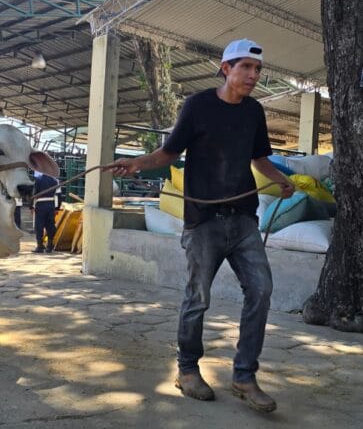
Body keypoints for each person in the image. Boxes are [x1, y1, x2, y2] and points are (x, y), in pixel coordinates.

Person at [108, 39, 294, 413]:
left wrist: (283, 181)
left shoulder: (254, 112)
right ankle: (188, 370)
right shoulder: (198, 106)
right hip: (203, 221)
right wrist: (136, 163)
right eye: (246, 68)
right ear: (226, 69)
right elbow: (168, 153)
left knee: (261, 290)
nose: (253, 76)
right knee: (199, 298)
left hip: (243, 218)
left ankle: (244, 376)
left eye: (257, 70)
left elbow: (259, 159)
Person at [31, 171, 59, 253]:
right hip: (51, 205)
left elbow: (34, 194)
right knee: (50, 225)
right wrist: (57, 207)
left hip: (40, 205)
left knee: (39, 226)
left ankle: (40, 246)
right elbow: (58, 195)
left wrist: (31, 206)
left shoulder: (38, 179)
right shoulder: (55, 181)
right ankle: (49, 245)